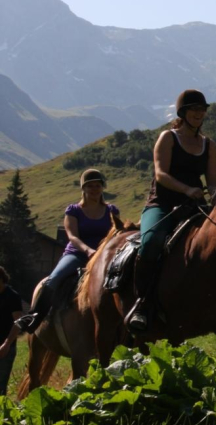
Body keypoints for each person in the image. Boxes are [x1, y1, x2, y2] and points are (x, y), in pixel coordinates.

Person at [127, 89, 216, 331]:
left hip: (194, 207)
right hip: (162, 204)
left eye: (202, 110)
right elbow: (161, 174)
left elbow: (212, 182)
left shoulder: (209, 145)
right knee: (151, 242)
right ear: (183, 112)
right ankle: (142, 305)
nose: (200, 114)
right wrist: (187, 189)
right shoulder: (167, 138)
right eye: (194, 110)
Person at [11, 169, 120, 335]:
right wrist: (88, 250)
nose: (94, 189)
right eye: (90, 186)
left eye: (98, 185)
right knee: (53, 279)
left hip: (104, 257)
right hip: (77, 254)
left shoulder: (112, 211)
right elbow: (73, 237)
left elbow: (116, 234)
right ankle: (34, 317)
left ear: (102, 188)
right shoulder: (73, 210)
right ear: (83, 188)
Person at [0, 267, 23, 396]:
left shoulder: (12, 296)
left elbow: (18, 323)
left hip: (4, 348)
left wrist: (6, 344)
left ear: (2, 279)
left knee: (0, 386)